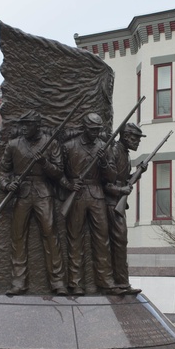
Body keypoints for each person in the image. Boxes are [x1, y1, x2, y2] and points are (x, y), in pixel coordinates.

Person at [0, 110, 68, 295]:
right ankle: (18, 282)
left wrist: (45, 164)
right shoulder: (13, 145)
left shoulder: (51, 144)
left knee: (51, 235)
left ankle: (58, 282)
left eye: (28, 124)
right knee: (18, 237)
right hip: (21, 194)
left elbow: (59, 172)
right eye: (22, 125)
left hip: (43, 192)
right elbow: (3, 172)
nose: (24, 128)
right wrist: (8, 185)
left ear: (37, 125)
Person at [61, 113, 121, 295]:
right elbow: (57, 172)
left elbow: (112, 177)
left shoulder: (104, 147)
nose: (96, 133)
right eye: (93, 130)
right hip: (77, 195)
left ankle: (106, 281)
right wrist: (69, 184)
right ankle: (75, 282)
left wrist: (103, 162)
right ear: (85, 127)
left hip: (97, 195)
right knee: (75, 239)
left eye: (98, 130)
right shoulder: (69, 146)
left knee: (102, 239)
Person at [103, 123, 145, 295]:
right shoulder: (113, 151)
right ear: (126, 136)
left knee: (120, 243)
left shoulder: (125, 154)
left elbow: (124, 180)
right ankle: (117, 282)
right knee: (116, 242)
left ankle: (122, 282)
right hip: (110, 202)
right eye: (135, 138)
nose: (138, 142)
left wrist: (139, 172)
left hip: (117, 201)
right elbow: (105, 182)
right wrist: (121, 190)